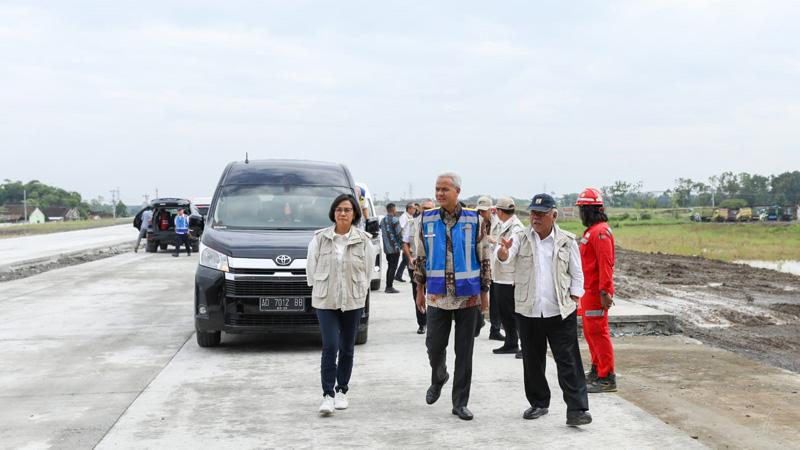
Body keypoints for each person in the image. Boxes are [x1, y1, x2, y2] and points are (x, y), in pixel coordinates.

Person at [496, 193, 592, 426]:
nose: (535, 218)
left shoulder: (567, 241)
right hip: (529, 310)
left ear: (554, 215)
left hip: (560, 311)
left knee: (568, 361)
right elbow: (505, 258)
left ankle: (577, 410)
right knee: (532, 360)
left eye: (540, 214)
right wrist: (503, 251)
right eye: (532, 213)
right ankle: (539, 403)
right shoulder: (520, 237)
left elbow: (577, 274)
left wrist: (574, 297)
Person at [415, 172, 490, 421]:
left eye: (444, 189)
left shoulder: (474, 220)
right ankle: (439, 376)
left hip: (468, 296)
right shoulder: (426, 219)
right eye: (437, 189)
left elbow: (484, 257)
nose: (439, 194)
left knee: (464, 352)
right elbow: (421, 257)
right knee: (434, 346)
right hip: (437, 295)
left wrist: (484, 297)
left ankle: (460, 403)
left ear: (457, 191)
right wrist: (419, 290)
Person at [306, 194, 375, 416]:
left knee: (347, 347)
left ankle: (342, 389)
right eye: (338, 209)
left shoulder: (364, 240)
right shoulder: (320, 239)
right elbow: (311, 270)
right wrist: (320, 288)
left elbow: (367, 271)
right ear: (333, 213)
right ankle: (328, 395)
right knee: (330, 346)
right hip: (325, 301)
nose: (342, 213)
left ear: (354, 213)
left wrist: (359, 292)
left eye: (347, 209)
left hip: (353, 300)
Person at [576, 188, 617, 393]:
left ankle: (607, 377)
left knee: (599, 334)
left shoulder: (600, 233)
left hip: (596, 293)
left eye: (582, 209)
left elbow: (605, 264)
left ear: (590, 210)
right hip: (588, 292)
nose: (580, 214)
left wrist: (605, 292)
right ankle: (597, 369)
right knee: (591, 333)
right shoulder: (593, 231)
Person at [490, 197, 524, 356]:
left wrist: (503, 252)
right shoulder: (507, 226)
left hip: (508, 278)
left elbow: (510, 252)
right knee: (506, 313)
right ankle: (511, 342)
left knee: (514, 314)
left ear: (499, 211)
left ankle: (525, 345)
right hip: (502, 277)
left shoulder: (515, 228)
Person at [403, 199, 435, 334]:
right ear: (420, 209)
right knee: (418, 293)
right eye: (425, 208)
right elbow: (405, 243)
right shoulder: (412, 224)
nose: (427, 210)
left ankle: (434, 322)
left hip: (434, 266)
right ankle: (422, 323)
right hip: (416, 265)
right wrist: (410, 258)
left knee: (434, 295)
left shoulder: (439, 224)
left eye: (430, 208)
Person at [476, 195, 503, 340]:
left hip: (494, 266)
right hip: (478, 265)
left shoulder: (499, 224)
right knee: (478, 296)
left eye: (483, 211)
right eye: (479, 211)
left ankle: (495, 329)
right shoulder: (473, 223)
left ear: (490, 210)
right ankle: (478, 321)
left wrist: (494, 240)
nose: (481, 214)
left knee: (496, 299)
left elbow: (505, 241)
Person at [380, 203, 403, 294]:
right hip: (394, 248)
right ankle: (389, 287)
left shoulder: (382, 220)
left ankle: (388, 285)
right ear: (393, 209)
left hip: (387, 249)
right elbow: (399, 234)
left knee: (390, 267)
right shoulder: (395, 220)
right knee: (393, 267)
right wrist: (402, 246)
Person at [394, 203, 416, 282]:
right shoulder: (404, 217)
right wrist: (402, 242)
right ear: (409, 209)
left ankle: (398, 275)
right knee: (407, 259)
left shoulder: (410, 217)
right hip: (405, 241)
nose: (415, 210)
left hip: (409, 241)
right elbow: (400, 229)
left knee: (405, 260)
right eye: (413, 208)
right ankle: (411, 277)